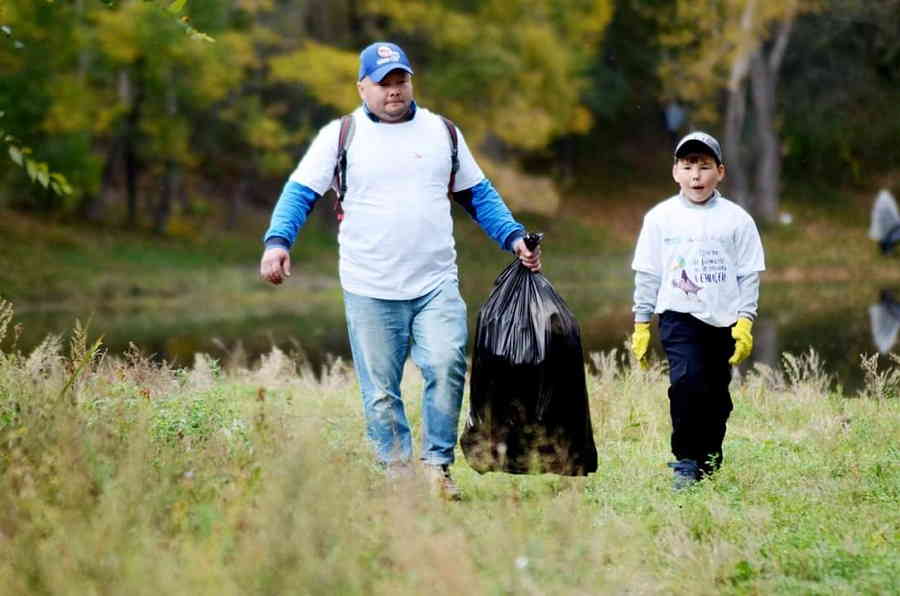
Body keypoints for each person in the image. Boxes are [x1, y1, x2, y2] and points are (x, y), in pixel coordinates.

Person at [259, 42, 541, 500]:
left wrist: (513, 237)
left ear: (411, 82)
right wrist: (277, 242)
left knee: (448, 363)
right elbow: (300, 193)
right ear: (362, 87)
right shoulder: (341, 135)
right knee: (381, 390)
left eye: (401, 81)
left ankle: (437, 467)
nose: (394, 90)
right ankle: (396, 470)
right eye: (384, 83)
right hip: (369, 284)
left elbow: (477, 194)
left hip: (435, 281)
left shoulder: (441, 133)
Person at [629, 131, 765, 490]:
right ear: (675, 172)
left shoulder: (737, 220)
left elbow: (749, 274)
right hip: (678, 316)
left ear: (720, 172)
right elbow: (647, 273)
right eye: (688, 167)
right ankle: (686, 461)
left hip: (723, 319)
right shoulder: (660, 219)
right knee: (686, 382)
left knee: (715, 395)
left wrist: (745, 321)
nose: (696, 176)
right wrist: (642, 323)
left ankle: (709, 456)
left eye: (704, 167)